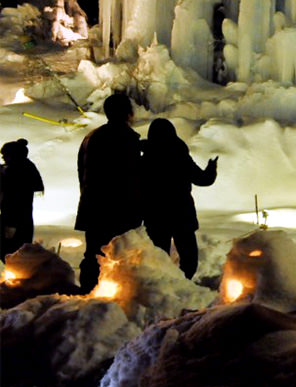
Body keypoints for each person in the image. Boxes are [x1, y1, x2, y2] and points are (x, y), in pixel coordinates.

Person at [75, 93, 143, 292]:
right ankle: (117, 295)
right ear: (127, 112)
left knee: (93, 252)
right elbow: (131, 177)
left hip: (93, 205)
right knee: (118, 253)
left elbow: (82, 172)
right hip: (119, 208)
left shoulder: (91, 137)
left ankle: (88, 290)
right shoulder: (125, 138)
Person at [142, 118, 217, 279]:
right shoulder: (180, 156)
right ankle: (184, 284)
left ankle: (163, 286)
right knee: (189, 256)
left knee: (159, 256)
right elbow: (203, 179)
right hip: (182, 213)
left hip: (156, 215)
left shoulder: (146, 158)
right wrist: (211, 168)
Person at [0, 139, 44, 260]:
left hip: (14, 220)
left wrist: (10, 224)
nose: (3, 157)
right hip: (18, 220)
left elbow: (14, 201)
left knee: (12, 252)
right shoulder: (24, 169)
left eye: (6, 155)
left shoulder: (17, 172)